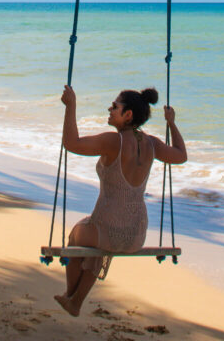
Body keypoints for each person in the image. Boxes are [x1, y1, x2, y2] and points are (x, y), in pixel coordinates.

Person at [54, 84, 187, 317]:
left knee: (77, 236)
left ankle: (73, 298)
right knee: (98, 239)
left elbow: (71, 144)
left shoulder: (113, 142)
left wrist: (71, 106)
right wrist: (171, 123)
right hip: (137, 234)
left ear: (128, 115)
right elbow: (181, 155)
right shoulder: (152, 144)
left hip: (107, 228)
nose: (110, 109)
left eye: (115, 106)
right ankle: (73, 300)